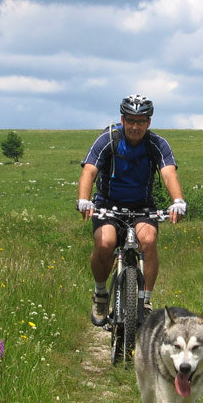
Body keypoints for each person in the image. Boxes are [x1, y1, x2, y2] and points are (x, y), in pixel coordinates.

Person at [77, 94, 186, 325]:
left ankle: (145, 301)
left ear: (149, 122)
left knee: (148, 240)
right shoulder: (108, 138)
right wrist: (84, 200)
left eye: (141, 121)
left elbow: (168, 173)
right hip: (107, 204)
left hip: (141, 206)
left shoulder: (157, 143)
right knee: (105, 243)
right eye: (130, 120)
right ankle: (100, 295)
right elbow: (89, 170)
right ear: (122, 119)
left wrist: (178, 201)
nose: (135, 126)